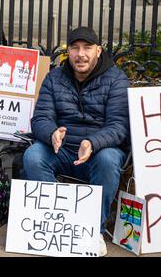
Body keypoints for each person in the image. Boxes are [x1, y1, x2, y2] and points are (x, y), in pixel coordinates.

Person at [20, 27, 130, 257]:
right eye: (75, 48)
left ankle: (93, 231)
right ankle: (51, 229)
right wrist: (51, 133)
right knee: (34, 156)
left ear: (98, 51)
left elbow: (119, 126)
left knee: (109, 159)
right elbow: (40, 117)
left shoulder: (116, 79)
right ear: (67, 52)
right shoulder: (54, 78)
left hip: (99, 152)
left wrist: (92, 142)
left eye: (87, 48)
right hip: (62, 150)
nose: (81, 54)